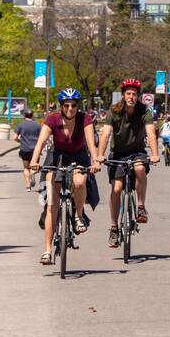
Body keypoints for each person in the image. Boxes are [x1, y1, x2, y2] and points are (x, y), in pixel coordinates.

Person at [29, 88, 101, 265]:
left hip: (79, 156)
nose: (70, 109)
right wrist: (34, 162)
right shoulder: (52, 119)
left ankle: (78, 215)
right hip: (57, 156)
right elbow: (41, 143)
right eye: (66, 105)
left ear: (78, 105)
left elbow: (91, 144)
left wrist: (96, 161)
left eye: (73, 105)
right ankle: (47, 251)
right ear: (61, 106)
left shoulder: (85, 119)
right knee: (52, 205)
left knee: (80, 181)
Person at [97, 79, 158, 246]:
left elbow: (151, 134)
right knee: (116, 188)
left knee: (139, 169)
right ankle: (114, 228)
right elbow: (105, 134)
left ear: (138, 96)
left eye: (134, 94)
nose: (131, 96)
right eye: (128, 93)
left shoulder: (144, 111)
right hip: (118, 153)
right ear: (123, 95)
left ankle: (140, 207)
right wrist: (99, 156)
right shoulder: (114, 111)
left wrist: (154, 154)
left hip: (137, 152)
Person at [13, 109, 42, 191]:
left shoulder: (20, 125)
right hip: (35, 150)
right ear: (32, 115)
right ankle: (33, 172)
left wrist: (20, 141)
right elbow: (42, 137)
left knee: (26, 168)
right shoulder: (37, 125)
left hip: (24, 149)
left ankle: (28, 186)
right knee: (34, 166)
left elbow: (14, 138)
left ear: (24, 116)